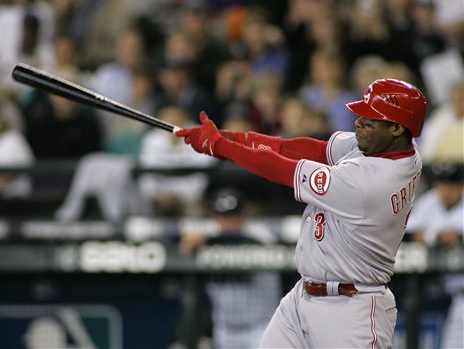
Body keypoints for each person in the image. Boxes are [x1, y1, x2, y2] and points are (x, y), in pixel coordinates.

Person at [176, 78, 427, 347]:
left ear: (397, 128)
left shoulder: (371, 182)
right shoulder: (395, 149)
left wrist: (221, 147)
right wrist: (237, 139)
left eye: (370, 119)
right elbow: (314, 150)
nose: (358, 122)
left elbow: (283, 169)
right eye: (361, 115)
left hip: (352, 309)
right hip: (303, 298)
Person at [179, 187, 281, 349]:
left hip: (260, 327)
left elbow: (261, 240)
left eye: (234, 217)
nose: (229, 223)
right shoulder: (211, 235)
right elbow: (185, 244)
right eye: (223, 217)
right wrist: (204, 237)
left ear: (243, 217)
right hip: (224, 329)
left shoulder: (260, 235)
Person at [405, 161, 463, 349]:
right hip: (454, 296)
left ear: (460, 185)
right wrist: (437, 236)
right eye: (441, 183)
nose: (445, 189)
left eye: (451, 184)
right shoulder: (430, 202)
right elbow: (410, 233)